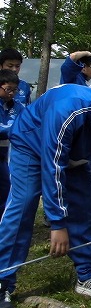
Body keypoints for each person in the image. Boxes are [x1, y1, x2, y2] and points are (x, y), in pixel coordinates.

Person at [0, 86, 91, 304]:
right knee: (23, 206)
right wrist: (58, 224)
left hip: (76, 151)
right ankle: (3, 279)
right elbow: (53, 167)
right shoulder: (67, 111)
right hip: (32, 145)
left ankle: (88, 275)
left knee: (85, 208)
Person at [0, 70, 23, 217]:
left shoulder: (18, 106)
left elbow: (25, 124)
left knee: (6, 187)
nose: (11, 93)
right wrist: (14, 128)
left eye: (15, 90)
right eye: (8, 89)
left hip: (8, 155)